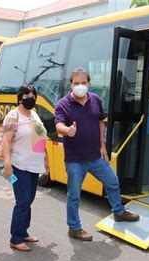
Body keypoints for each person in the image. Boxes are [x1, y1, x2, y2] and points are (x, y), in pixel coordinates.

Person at [55, 67, 139, 242]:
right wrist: (67, 131)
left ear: (89, 83)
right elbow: (58, 126)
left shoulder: (95, 100)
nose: (80, 86)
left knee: (113, 181)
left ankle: (119, 212)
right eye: (76, 83)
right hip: (75, 160)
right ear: (71, 84)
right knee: (74, 195)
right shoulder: (62, 104)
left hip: (95, 156)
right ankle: (74, 228)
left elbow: (101, 122)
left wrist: (103, 145)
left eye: (83, 83)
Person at [2, 84, 48, 252]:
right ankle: (15, 238)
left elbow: (40, 138)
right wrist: (7, 162)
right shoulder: (13, 116)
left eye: (33, 95)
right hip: (19, 164)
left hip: (34, 165)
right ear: (20, 98)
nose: (31, 97)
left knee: (29, 200)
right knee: (22, 201)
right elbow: (6, 140)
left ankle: (23, 231)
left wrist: (45, 160)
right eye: (27, 95)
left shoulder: (34, 115)